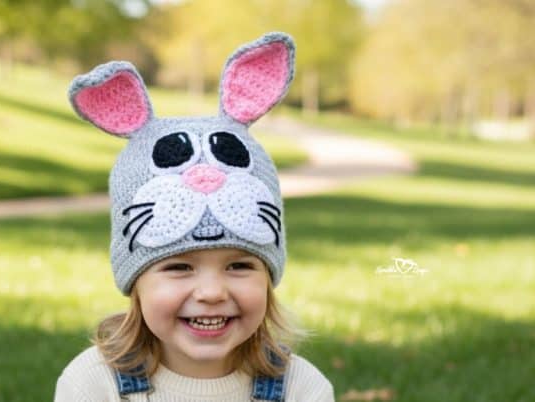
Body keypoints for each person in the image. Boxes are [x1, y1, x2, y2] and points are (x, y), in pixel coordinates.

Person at [55, 32, 334, 402]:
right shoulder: (91, 385)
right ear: (136, 280)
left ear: (269, 275)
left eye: (239, 265)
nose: (212, 293)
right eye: (179, 267)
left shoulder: (302, 389)